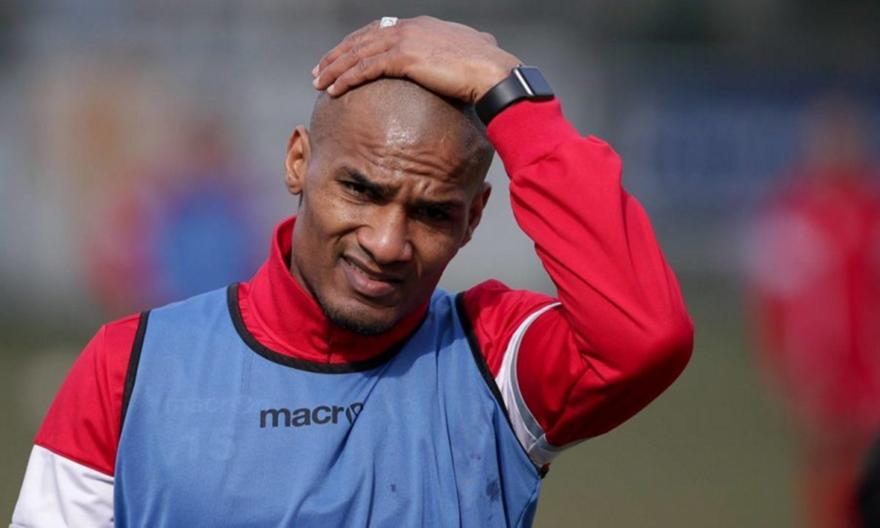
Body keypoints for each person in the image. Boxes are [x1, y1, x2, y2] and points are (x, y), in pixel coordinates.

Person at [12, 16, 693, 527]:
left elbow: (645, 336)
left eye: (432, 213)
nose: (388, 242)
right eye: (361, 191)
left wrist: (511, 93)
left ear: (474, 218)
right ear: (298, 163)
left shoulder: (494, 361)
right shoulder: (127, 369)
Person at [747, 94, 880, 527]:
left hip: (870, 365)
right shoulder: (793, 213)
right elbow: (772, 300)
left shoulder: (871, 210)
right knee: (830, 469)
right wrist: (782, 369)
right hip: (821, 370)